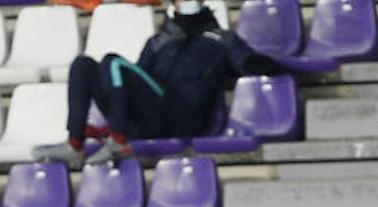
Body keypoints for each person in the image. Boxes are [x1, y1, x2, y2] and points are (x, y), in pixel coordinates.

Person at [35, 0, 282, 168]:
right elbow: (138, 80)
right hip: (150, 115)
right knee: (83, 65)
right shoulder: (158, 42)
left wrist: (283, 66)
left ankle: (118, 140)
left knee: (113, 62)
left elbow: (250, 63)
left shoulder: (221, 39)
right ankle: (75, 144)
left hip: (182, 116)